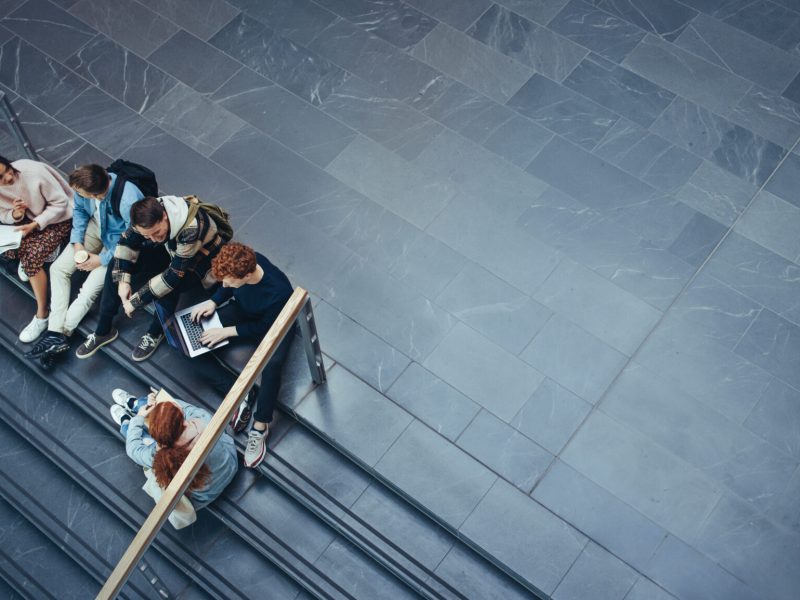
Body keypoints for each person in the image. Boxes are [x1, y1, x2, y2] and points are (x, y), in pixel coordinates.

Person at [76, 195, 226, 362]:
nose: (154, 239)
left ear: (164, 217)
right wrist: (123, 281)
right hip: (171, 248)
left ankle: (155, 332)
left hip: (199, 258)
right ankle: (103, 330)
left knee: (170, 289)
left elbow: (172, 277)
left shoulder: (192, 229)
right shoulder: (144, 214)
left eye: (156, 232)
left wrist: (135, 301)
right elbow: (126, 242)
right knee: (115, 264)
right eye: (147, 236)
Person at [23, 164, 143, 361]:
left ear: (97, 196)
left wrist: (102, 259)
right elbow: (79, 211)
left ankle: (61, 333)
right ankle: (54, 333)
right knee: (58, 269)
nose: (77, 195)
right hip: (96, 227)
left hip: (117, 242)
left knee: (88, 291)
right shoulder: (83, 185)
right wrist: (77, 242)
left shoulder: (128, 200)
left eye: (82, 194)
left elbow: (133, 239)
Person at [189, 242, 293, 469]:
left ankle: (261, 425)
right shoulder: (245, 264)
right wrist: (213, 301)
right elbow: (227, 288)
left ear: (246, 276)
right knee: (192, 347)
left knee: (272, 364)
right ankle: (238, 394)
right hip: (245, 313)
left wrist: (226, 332)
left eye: (228, 281)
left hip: (274, 324)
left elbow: (266, 328)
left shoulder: (279, 292)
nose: (223, 284)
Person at [111, 387, 238, 509]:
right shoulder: (203, 421)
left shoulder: (160, 456)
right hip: (231, 465)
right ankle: (136, 405)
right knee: (164, 409)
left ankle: (127, 422)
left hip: (203, 497)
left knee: (140, 437)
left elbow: (133, 449)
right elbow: (180, 408)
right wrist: (161, 402)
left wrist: (139, 417)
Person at [0, 155, 73, 342]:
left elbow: (61, 203)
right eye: (1, 178)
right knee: (12, 249)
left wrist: (35, 224)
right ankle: (45, 252)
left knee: (31, 260)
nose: (8, 178)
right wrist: (15, 214)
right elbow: (3, 214)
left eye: (8, 170)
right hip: (29, 219)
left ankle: (42, 314)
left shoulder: (33, 172)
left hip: (59, 218)